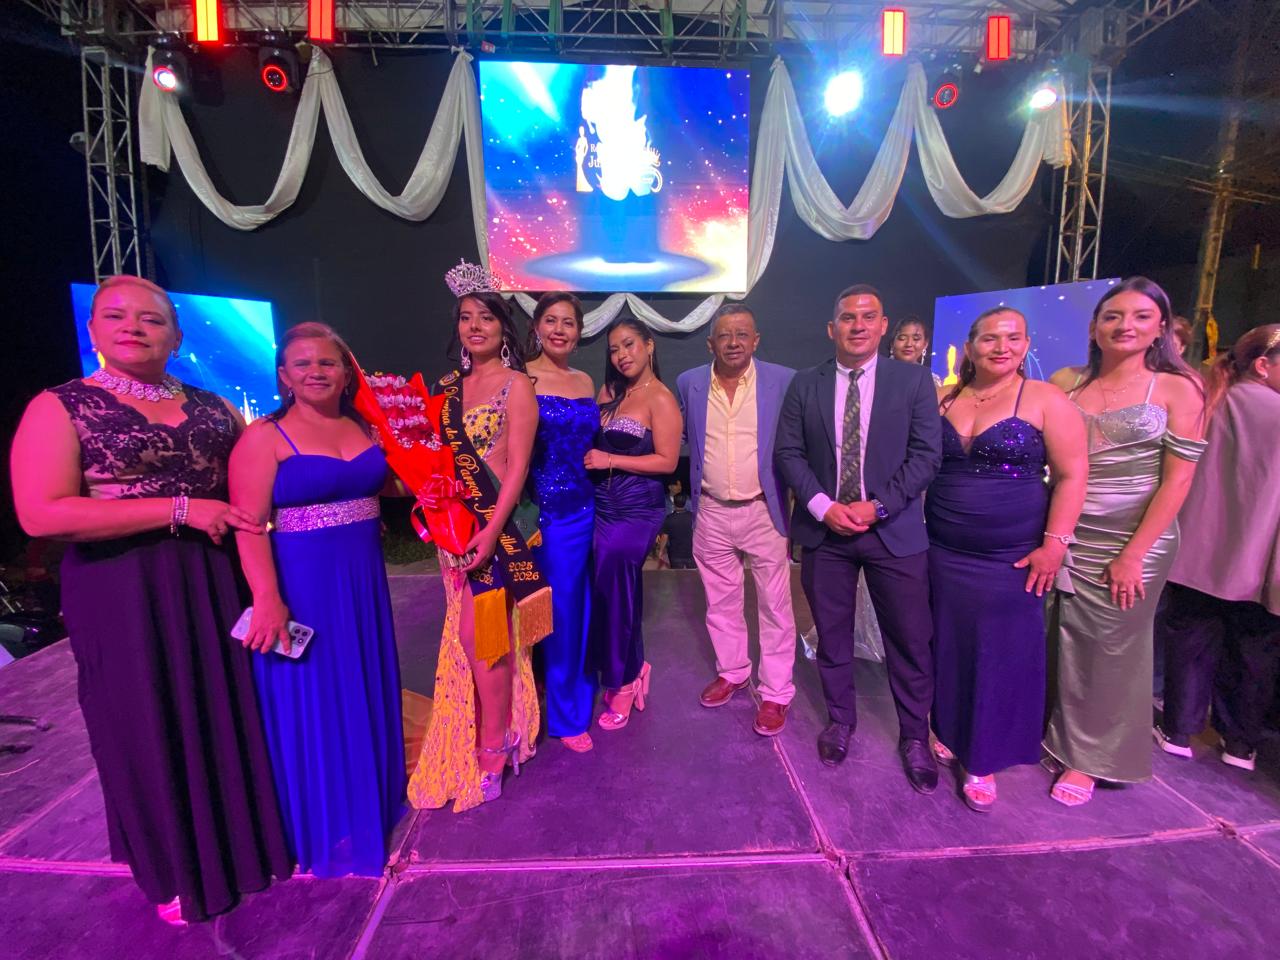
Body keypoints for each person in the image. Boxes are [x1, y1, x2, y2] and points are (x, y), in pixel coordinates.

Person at [9, 275, 292, 923]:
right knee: (143, 720)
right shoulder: (60, 405)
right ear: (93, 330)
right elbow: (41, 513)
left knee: (225, 710)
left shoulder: (215, 407)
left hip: (212, 580)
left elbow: (250, 496)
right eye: (116, 316)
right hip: (120, 588)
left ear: (177, 335)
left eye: (151, 318)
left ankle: (243, 850)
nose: (134, 327)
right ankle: (175, 870)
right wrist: (181, 509)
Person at [228, 322, 406, 876]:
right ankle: (325, 819)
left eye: (327, 362)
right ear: (283, 375)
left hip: (363, 579)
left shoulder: (364, 426)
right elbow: (248, 526)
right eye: (302, 364)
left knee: (362, 681)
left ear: (346, 372)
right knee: (314, 695)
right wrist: (267, 598)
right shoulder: (265, 437)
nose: (315, 372)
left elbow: (395, 485)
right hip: (302, 584)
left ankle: (370, 799)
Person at [1043, 277, 1207, 806]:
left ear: (1161, 327)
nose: (1124, 326)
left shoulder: (1178, 389)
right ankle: (1053, 733)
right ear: (1094, 327)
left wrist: (1134, 554)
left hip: (1132, 538)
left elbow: (1178, 482)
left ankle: (1089, 759)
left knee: (1110, 649)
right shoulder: (1067, 381)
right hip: (1063, 528)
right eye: (1112, 316)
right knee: (1058, 637)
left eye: (1140, 316)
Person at [774, 284, 943, 792]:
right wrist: (823, 507)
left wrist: (879, 505)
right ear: (832, 328)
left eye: (868, 316)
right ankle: (840, 721)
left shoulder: (914, 382)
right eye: (848, 317)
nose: (858, 325)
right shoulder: (805, 383)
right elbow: (788, 454)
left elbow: (926, 456)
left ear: (883, 325)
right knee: (833, 636)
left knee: (909, 639)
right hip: (827, 532)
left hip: (893, 529)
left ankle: (914, 736)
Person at [927, 308, 1087, 811]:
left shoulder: (1045, 399)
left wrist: (1055, 545)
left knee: (999, 653)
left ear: (1026, 345)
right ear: (970, 346)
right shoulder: (945, 397)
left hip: (1010, 555)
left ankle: (983, 757)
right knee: (948, 643)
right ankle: (947, 726)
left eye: (1013, 338)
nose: (1001, 347)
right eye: (989, 338)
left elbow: (1072, 475)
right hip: (942, 549)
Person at [408, 268, 546, 811]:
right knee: (472, 639)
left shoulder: (518, 385)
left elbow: (516, 469)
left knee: (481, 638)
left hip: (500, 532)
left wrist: (490, 530)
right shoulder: (445, 390)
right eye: (466, 318)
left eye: (486, 317)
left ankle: (495, 743)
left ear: (503, 326)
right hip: (454, 534)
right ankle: (488, 727)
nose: (475, 326)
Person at [1155, 324, 1280, 771]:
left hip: (1195, 552)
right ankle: (1239, 744)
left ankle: (1178, 731)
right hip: (1259, 561)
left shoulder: (1206, 400)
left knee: (1190, 641)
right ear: (1262, 365)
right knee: (1252, 651)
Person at [676, 302, 798, 736]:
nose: (733, 342)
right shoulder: (689, 383)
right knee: (721, 602)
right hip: (710, 509)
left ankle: (776, 691)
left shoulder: (783, 381)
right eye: (725, 335)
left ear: (756, 340)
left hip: (764, 509)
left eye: (742, 334)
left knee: (775, 606)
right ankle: (733, 671)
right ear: (710, 343)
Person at [587, 316, 680, 730]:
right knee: (612, 590)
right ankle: (634, 666)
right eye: (614, 349)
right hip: (601, 504)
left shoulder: (661, 398)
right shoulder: (609, 392)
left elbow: (667, 461)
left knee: (617, 591)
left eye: (629, 345)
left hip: (638, 509)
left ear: (649, 345)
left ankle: (623, 682)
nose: (621, 355)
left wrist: (610, 459)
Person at [525, 292, 598, 753]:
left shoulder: (585, 380)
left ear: (579, 332)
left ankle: (570, 700)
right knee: (551, 610)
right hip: (542, 514)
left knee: (577, 606)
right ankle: (557, 712)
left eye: (568, 323)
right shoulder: (521, 378)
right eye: (550, 320)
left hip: (585, 508)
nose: (559, 330)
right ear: (536, 327)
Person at [889, 315, 943, 387]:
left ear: (925, 344)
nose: (909, 344)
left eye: (916, 339)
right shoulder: (878, 373)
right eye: (902, 338)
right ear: (892, 343)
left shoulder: (931, 380)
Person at [658, 493, 695, 569]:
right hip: (691, 552)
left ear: (674, 503)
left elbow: (665, 537)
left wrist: (661, 550)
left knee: (677, 574)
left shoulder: (669, 518)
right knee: (693, 574)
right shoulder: (692, 517)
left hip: (675, 553)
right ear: (685, 503)